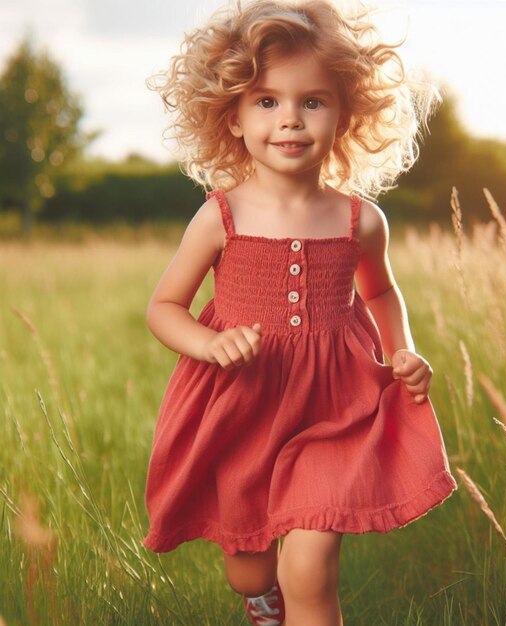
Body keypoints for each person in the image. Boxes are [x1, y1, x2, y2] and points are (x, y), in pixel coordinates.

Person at [142, 1, 456, 624]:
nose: (290, 120)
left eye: (312, 101)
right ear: (232, 116)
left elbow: (381, 293)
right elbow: (164, 306)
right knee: (250, 569)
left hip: (335, 409)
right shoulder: (219, 217)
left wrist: (402, 352)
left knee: (309, 566)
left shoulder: (359, 218)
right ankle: (263, 604)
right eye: (266, 102)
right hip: (243, 405)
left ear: (345, 114)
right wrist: (209, 345)